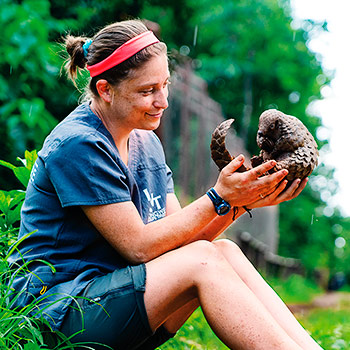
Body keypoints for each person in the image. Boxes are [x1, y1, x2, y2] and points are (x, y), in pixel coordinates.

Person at [9, 19, 323, 350]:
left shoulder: (145, 141)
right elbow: (139, 247)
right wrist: (220, 197)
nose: (164, 101)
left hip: (118, 301)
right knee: (202, 259)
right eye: (148, 91)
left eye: (165, 85)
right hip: (55, 314)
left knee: (224, 250)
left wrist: (242, 200)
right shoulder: (79, 144)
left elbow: (180, 241)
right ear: (105, 89)